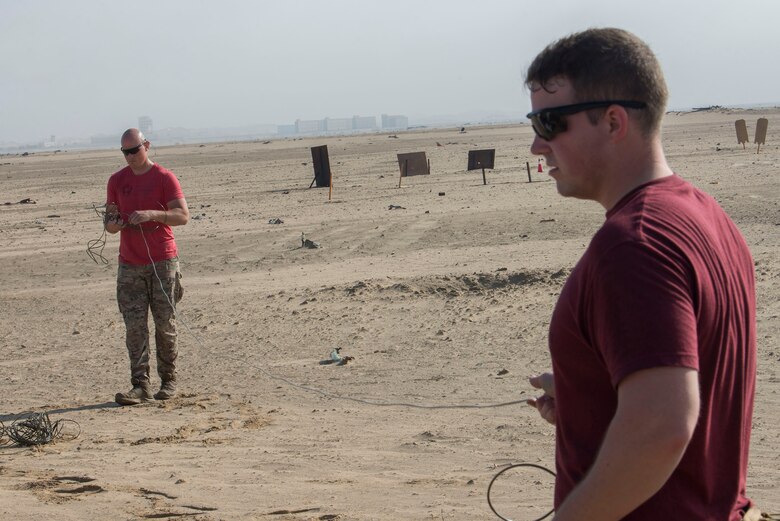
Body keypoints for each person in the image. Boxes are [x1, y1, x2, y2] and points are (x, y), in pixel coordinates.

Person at [523, 29, 760, 520]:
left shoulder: (635, 244)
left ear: (613, 121)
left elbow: (661, 427)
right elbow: (681, 385)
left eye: (549, 122)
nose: (536, 145)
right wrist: (589, 400)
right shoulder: (707, 216)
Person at [105, 129, 190, 406]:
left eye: (134, 150)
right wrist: (114, 224)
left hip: (163, 262)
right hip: (129, 265)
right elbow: (109, 223)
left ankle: (169, 380)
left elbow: (182, 216)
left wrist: (152, 214)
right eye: (125, 152)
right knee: (135, 327)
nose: (130, 156)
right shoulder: (116, 181)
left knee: (165, 324)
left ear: (147, 146)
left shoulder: (164, 178)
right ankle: (140, 385)